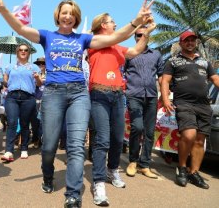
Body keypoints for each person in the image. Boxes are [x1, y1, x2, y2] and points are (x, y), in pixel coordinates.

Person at [0, 0, 153, 207]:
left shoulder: (83, 40)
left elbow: (115, 37)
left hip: (78, 94)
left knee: (76, 146)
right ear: (58, 16)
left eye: (71, 13)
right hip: (53, 94)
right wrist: (3, 10)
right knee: (49, 146)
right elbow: (20, 28)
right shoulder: (47, 36)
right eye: (64, 12)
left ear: (75, 18)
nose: (67, 16)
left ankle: (73, 194)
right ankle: (47, 174)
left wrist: (137, 21)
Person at [88, 13, 156, 206]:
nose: (115, 24)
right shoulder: (95, 41)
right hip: (99, 95)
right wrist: (138, 21)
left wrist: (147, 33)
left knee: (118, 138)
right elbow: (122, 36)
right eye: (112, 21)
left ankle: (112, 170)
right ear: (102, 25)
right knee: (102, 139)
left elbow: (135, 51)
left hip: (118, 95)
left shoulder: (117, 47)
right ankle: (99, 182)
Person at [161, 31, 219, 189]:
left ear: (196, 43)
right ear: (181, 43)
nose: (190, 43)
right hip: (184, 103)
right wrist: (166, 99)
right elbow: (165, 81)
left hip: (204, 105)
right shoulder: (173, 61)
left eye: (193, 40)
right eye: (186, 41)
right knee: (189, 135)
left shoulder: (205, 62)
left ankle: (194, 172)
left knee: (200, 140)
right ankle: (181, 168)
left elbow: (215, 79)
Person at [124, 26, 164, 179]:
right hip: (133, 95)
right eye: (138, 35)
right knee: (137, 127)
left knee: (149, 131)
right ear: (134, 37)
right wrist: (124, 90)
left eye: (143, 35)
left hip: (152, 96)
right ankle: (133, 161)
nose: (140, 37)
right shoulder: (129, 54)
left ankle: (145, 165)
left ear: (148, 37)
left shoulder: (156, 54)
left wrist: (163, 95)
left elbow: (161, 76)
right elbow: (122, 73)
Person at [0, 44, 42, 162]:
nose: (23, 51)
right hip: (12, 97)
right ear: (17, 52)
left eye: (26, 50)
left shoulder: (34, 67)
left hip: (28, 97)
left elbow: (39, 84)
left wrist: (37, 78)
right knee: (12, 122)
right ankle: (9, 151)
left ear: (29, 53)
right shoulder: (9, 66)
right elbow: (5, 79)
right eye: (21, 50)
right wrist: (5, 83)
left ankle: (24, 147)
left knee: (25, 124)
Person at [30, 57, 46, 148]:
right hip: (36, 100)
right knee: (35, 122)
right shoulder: (34, 74)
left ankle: (41, 140)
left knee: (43, 122)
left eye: (43, 64)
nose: (41, 65)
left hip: (46, 101)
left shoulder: (50, 74)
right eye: (39, 64)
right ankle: (36, 139)